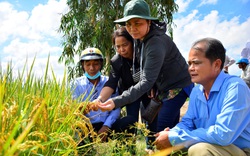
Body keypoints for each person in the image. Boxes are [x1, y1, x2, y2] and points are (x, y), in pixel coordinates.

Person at [98, 0, 193, 151]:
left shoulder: (155, 43)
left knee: (161, 130)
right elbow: (114, 81)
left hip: (177, 87)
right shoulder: (141, 40)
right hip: (163, 89)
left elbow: (147, 80)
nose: (132, 29)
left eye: (137, 23)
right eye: (128, 24)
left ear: (148, 21)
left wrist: (115, 102)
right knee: (170, 129)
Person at [154, 37, 250, 156]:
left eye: (196, 63)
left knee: (200, 150)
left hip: (241, 150)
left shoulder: (235, 87)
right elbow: (188, 123)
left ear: (216, 64)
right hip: (214, 144)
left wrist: (176, 137)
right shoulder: (197, 91)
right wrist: (172, 133)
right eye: (189, 64)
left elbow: (223, 134)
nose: (191, 68)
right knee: (170, 146)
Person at [96, 26, 143, 134]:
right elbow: (111, 83)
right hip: (130, 94)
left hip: (147, 91)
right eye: (118, 46)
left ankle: (151, 146)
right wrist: (100, 99)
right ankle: (130, 149)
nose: (122, 49)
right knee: (131, 122)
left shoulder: (143, 55)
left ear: (132, 42)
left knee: (151, 118)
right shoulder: (116, 62)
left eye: (125, 45)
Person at [70, 47, 120, 144]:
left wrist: (106, 126)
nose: (92, 68)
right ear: (83, 66)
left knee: (127, 122)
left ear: (101, 64)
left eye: (95, 64)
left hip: (107, 124)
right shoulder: (75, 84)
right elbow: (74, 111)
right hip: (85, 127)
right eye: (88, 64)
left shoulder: (110, 82)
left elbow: (116, 107)